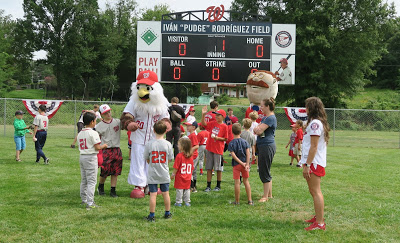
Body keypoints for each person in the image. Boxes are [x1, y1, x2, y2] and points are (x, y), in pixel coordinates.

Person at [301, 97, 330, 231]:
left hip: (314, 162)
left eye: (307, 106)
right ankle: (318, 217)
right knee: (313, 191)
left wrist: (307, 164)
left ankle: (319, 223)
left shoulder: (315, 124)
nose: (305, 109)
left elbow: (314, 146)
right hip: (314, 162)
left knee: (316, 191)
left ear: (311, 108)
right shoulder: (316, 122)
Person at [143, 121, 174, 221]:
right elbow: (169, 158)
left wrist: (152, 163)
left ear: (154, 130)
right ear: (166, 131)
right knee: (166, 193)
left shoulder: (149, 144)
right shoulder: (168, 144)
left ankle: (152, 215)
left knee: (153, 194)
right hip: (164, 172)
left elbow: (147, 158)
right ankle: (167, 213)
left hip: (153, 172)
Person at [77, 112, 108, 210]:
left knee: (84, 180)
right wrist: (104, 146)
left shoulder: (80, 133)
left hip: (82, 156)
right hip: (90, 157)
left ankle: (84, 199)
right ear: (92, 122)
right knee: (92, 181)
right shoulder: (93, 133)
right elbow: (97, 147)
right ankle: (90, 202)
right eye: (95, 120)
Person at [95, 104, 123, 198]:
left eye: (109, 112)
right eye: (105, 113)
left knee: (115, 171)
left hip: (116, 149)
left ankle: (113, 190)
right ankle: (101, 186)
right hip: (106, 150)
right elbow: (96, 139)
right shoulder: (99, 126)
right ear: (102, 115)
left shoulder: (117, 122)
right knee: (105, 171)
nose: (108, 114)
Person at [253, 98, 277, 202]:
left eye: (262, 106)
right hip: (263, 145)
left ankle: (265, 197)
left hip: (267, 146)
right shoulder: (265, 118)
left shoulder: (270, 118)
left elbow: (259, 130)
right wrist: (257, 129)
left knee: (264, 170)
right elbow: (256, 129)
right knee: (265, 169)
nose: (260, 108)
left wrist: (258, 129)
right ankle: (269, 195)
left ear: (267, 106)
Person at [201, 106, 228, 192]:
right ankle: (208, 186)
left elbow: (226, 138)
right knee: (209, 168)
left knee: (218, 168)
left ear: (223, 116)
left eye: (218, 115)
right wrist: (203, 115)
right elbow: (203, 124)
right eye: (216, 115)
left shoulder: (224, 126)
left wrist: (217, 138)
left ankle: (218, 185)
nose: (216, 117)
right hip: (209, 148)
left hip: (218, 149)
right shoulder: (213, 123)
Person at [228, 123, 253, 205]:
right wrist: (247, 164)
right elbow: (248, 153)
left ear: (232, 132)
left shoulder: (231, 143)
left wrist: (241, 163)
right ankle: (250, 200)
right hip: (245, 164)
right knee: (246, 181)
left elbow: (233, 155)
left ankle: (237, 201)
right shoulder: (245, 142)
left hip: (236, 165)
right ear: (240, 132)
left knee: (237, 182)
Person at [171, 138, 194, 207]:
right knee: (187, 189)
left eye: (179, 145)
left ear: (183, 146)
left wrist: (173, 174)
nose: (178, 146)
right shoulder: (190, 156)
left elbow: (176, 167)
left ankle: (178, 202)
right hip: (188, 176)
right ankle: (187, 202)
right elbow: (192, 167)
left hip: (180, 176)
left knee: (179, 189)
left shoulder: (179, 156)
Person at [183, 121, 199, 193]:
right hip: (191, 156)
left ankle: (192, 187)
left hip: (193, 156)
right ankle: (192, 186)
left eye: (188, 126)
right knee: (191, 171)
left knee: (190, 171)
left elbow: (196, 146)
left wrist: (189, 152)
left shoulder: (193, 135)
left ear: (193, 127)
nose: (187, 127)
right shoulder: (190, 135)